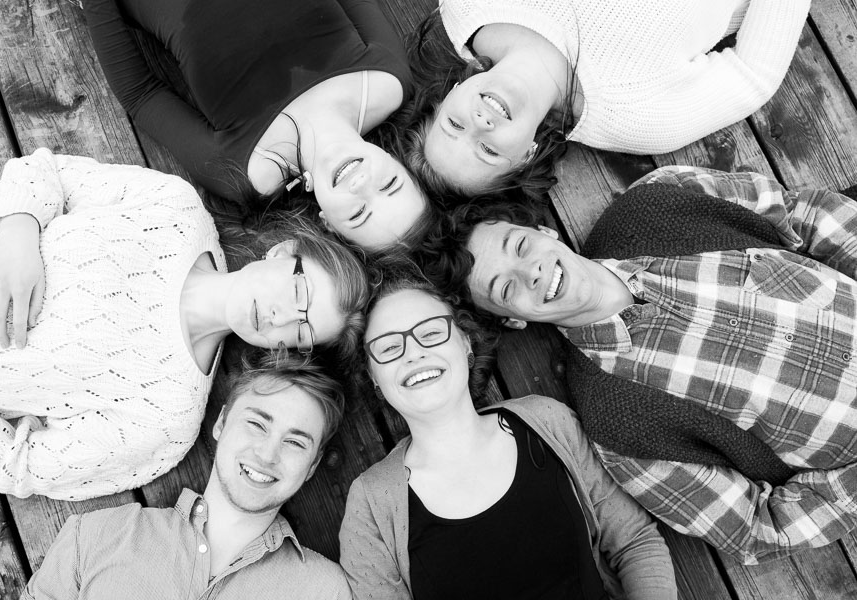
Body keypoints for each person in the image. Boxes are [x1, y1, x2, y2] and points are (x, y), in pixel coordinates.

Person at [421, 165, 857, 564]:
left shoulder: (659, 198)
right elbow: (754, 529)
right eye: (505, 288)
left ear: (544, 231)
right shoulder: (618, 425)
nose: (529, 272)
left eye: (519, 246)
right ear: (513, 320)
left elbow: (802, 214)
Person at [0, 148, 369, 501]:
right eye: (298, 292)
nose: (282, 317)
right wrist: (18, 236)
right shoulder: (175, 209)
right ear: (282, 252)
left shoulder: (169, 417)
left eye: (301, 331)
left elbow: (23, 466)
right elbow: (46, 171)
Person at [339, 278, 676, 599]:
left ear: (465, 342)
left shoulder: (548, 423)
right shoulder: (370, 503)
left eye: (431, 332)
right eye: (389, 347)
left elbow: (634, 542)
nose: (413, 353)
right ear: (374, 376)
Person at [83, 0, 434, 252]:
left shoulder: (245, 171)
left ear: (327, 223)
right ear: (402, 163)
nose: (362, 185)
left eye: (358, 214)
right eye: (389, 184)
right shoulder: (385, 81)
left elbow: (141, 94)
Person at [20, 350, 352, 599]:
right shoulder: (94, 538)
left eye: (295, 442)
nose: (267, 454)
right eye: (256, 424)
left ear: (312, 466)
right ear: (221, 423)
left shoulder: (326, 592)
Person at [401, 0, 810, 201]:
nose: (479, 123)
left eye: (454, 125)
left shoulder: (467, 6)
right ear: (527, 155)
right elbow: (751, 74)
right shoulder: (634, 116)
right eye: (487, 151)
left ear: (449, 96)